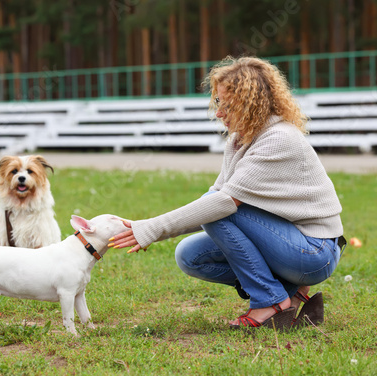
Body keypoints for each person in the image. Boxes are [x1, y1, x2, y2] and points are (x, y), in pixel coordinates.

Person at [108, 56, 345, 330]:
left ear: (251, 103)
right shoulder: (240, 140)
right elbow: (216, 195)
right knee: (190, 255)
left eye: (228, 105)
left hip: (314, 252)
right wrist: (153, 228)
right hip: (287, 243)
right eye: (219, 102)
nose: (219, 113)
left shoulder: (278, 138)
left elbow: (222, 203)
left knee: (218, 208)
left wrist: (153, 228)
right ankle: (288, 292)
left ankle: (270, 301)